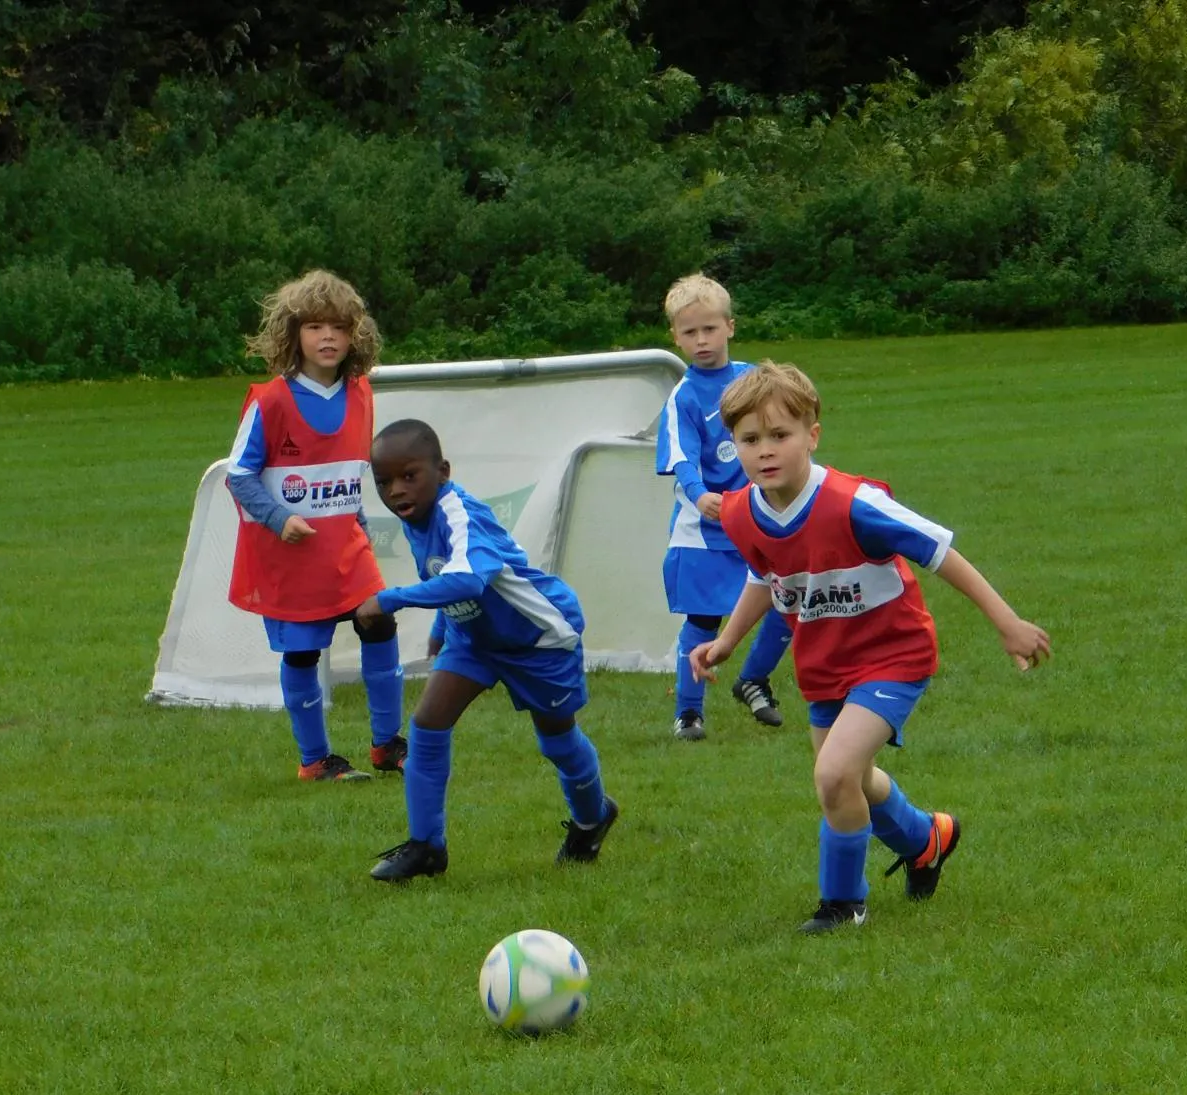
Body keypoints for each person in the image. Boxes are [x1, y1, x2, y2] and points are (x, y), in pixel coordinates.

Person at [691, 362, 1051, 933]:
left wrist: (1007, 622)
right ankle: (927, 839)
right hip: (823, 663)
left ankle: (843, 905)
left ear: (812, 435)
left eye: (780, 434)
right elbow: (766, 575)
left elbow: (940, 551)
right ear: (733, 446)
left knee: (834, 775)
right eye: (751, 439)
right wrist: (727, 640)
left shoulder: (853, 502)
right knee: (853, 780)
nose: (766, 450)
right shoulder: (740, 513)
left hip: (893, 656)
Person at [357, 420, 617, 882]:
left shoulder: (460, 513)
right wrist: (443, 624)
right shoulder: (417, 516)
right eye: (384, 481)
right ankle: (426, 847)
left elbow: (467, 579)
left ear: (442, 471)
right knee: (427, 724)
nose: (396, 490)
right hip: (474, 639)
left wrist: (389, 599)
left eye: (409, 476)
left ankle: (592, 818)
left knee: (557, 742)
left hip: (539, 639)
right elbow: (447, 572)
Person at [226, 270, 406, 782]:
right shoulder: (271, 400)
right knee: (304, 651)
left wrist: (359, 525)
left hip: (347, 548)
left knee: (379, 621)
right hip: (291, 557)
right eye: (314, 327)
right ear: (293, 334)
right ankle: (315, 760)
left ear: (356, 335)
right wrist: (279, 518)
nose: (328, 337)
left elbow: (349, 474)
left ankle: (387, 745)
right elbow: (239, 475)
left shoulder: (361, 392)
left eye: (339, 327)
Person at [654, 273, 795, 741]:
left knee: (789, 598)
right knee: (703, 618)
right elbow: (681, 455)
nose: (701, 340)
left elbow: (788, 428)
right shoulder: (683, 397)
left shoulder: (755, 381)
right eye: (690, 332)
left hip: (759, 518)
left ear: (730, 327)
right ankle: (688, 712)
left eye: (710, 329)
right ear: (675, 337)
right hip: (705, 527)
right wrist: (699, 494)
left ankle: (753, 679)